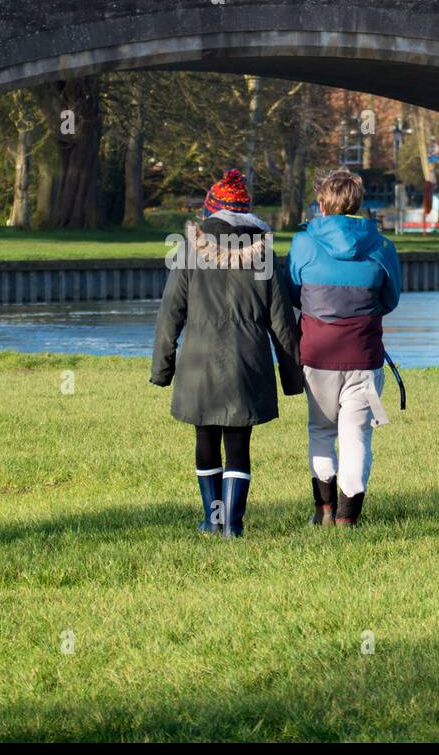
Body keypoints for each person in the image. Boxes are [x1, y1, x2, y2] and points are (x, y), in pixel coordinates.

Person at [150, 170, 303, 537]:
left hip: (199, 361)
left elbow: (171, 312)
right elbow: (281, 318)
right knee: (239, 443)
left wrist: (162, 368)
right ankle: (233, 524)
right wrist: (292, 376)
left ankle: (212, 518)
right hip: (248, 361)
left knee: (205, 439)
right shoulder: (264, 253)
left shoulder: (189, 250)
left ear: (210, 212)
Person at [287, 169, 401, 527]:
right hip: (364, 356)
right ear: (358, 203)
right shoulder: (382, 245)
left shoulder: (303, 244)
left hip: (317, 354)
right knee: (357, 435)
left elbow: (294, 293)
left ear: (322, 204)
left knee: (321, 430)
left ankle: (323, 511)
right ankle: (348, 519)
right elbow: (391, 298)